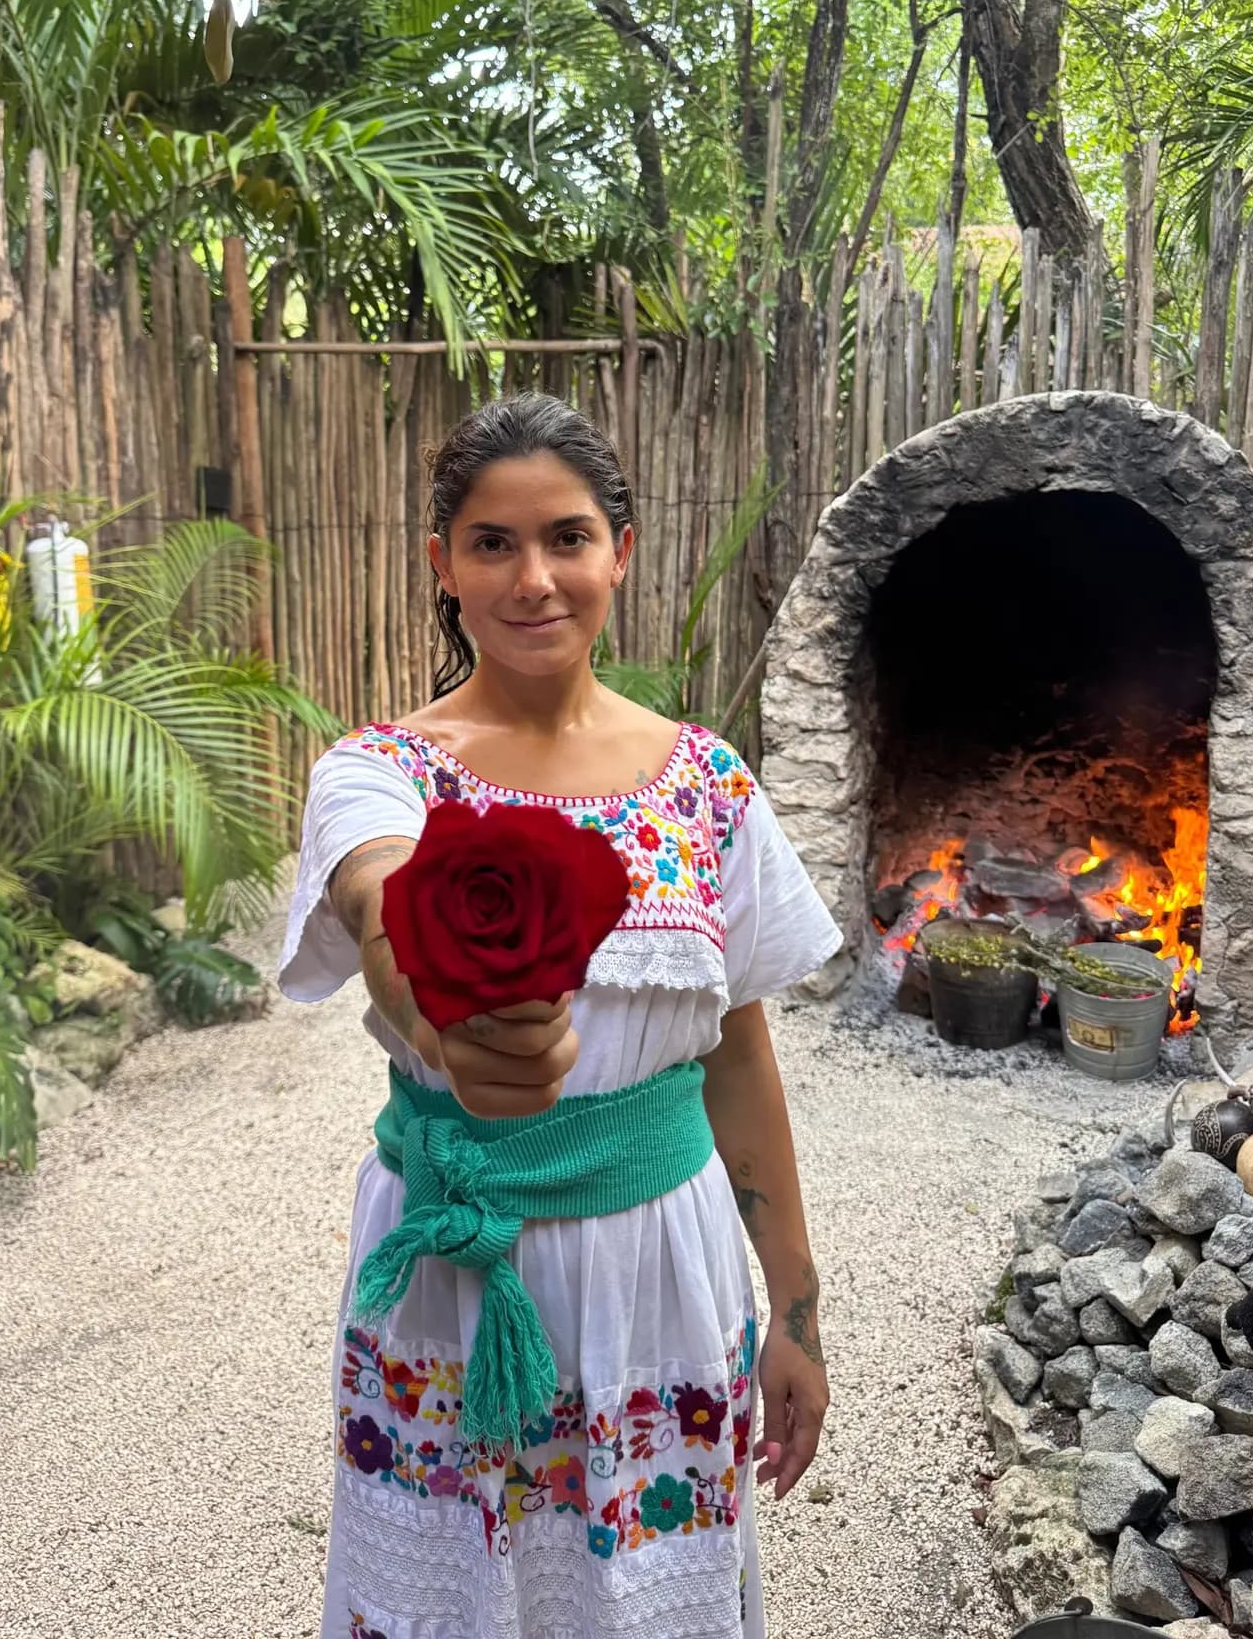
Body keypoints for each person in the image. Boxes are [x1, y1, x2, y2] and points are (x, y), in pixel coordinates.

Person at [280, 392, 842, 1639]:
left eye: (568, 538)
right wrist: (450, 1022)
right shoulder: (380, 770)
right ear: (443, 564)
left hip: (665, 1277)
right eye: (492, 543)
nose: (534, 578)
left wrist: (794, 1309)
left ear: (620, 553)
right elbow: (384, 909)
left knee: (645, 1601)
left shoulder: (708, 786)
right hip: (453, 1275)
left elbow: (738, 1051)